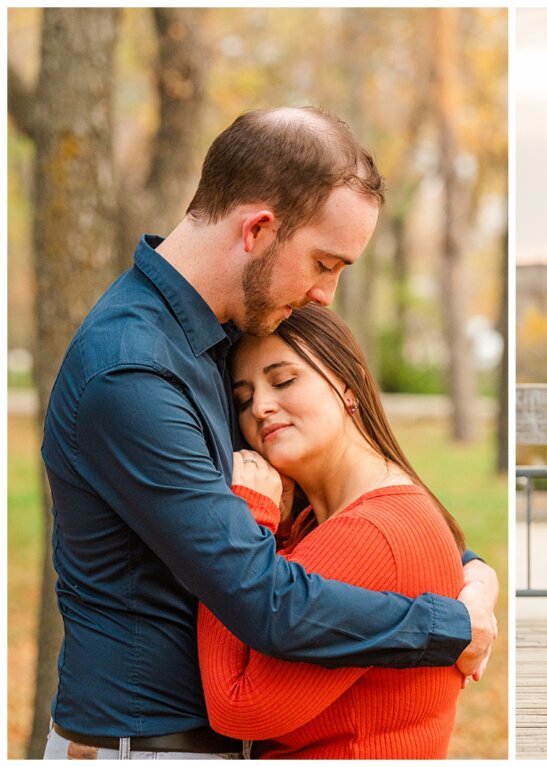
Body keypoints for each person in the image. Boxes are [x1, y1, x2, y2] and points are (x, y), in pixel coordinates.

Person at [40, 106, 497, 760]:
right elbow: (260, 595)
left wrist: (465, 568)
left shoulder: (220, 342)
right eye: (324, 263)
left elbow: (323, 515)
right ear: (257, 229)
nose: (327, 295)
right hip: (141, 744)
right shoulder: (133, 372)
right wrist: (445, 624)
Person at [197, 306, 467, 758]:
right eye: (243, 399)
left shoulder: (370, 532)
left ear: (348, 384)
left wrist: (240, 523)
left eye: (283, 381)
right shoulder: (333, 521)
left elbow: (237, 706)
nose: (261, 407)